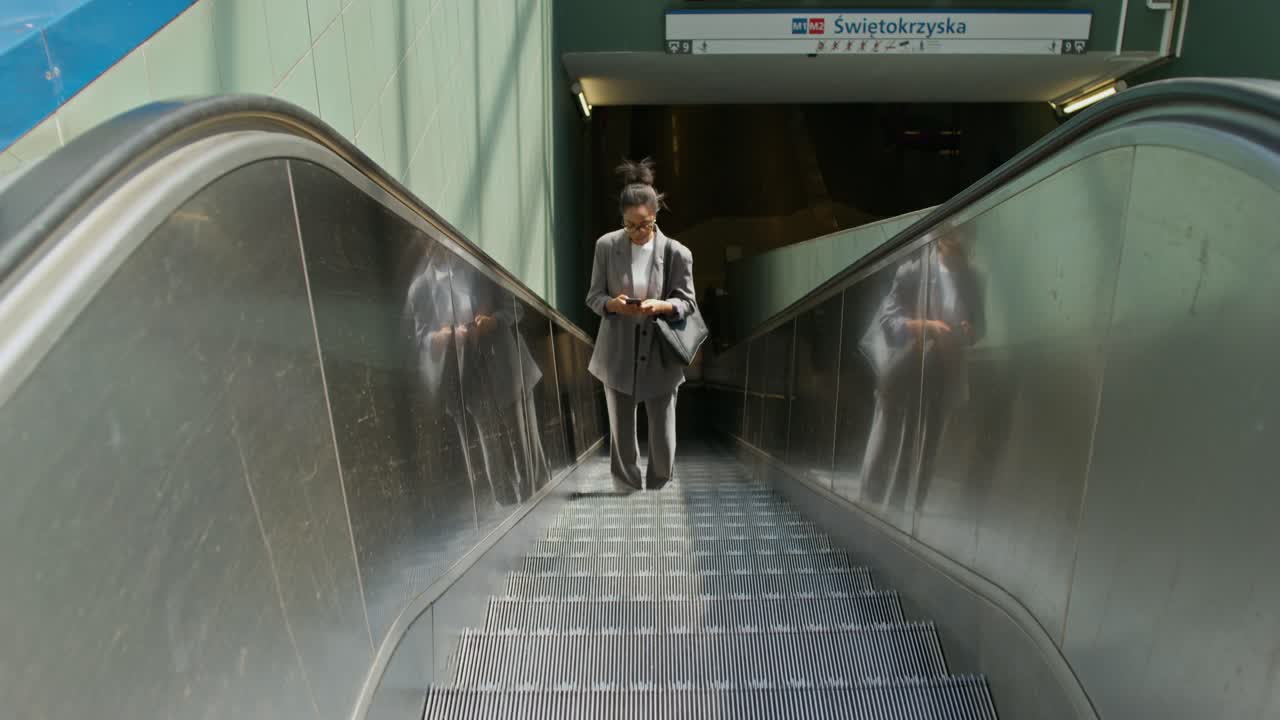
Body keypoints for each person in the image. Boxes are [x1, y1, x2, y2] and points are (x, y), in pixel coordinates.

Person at [586, 158, 697, 491]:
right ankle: (626, 486)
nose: (637, 232)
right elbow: (593, 296)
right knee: (621, 431)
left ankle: (660, 485)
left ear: (655, 216)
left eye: (644, 224)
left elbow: (688, 303)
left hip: (660, 351)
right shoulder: (606, 247)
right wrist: (612, 304)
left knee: (663, 433)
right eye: (629, 224)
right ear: (622, 219)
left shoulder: (677, 252)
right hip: (617, 349)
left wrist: (661, 305)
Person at [857, 231, 984, 515]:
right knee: (900, 433)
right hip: (909, 367)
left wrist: (970, 332)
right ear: (943, 241)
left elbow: (979, 326)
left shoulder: (973, 279)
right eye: (959, 243)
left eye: (968, 245)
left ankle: (912, 508)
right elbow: (889, 320)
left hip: (945, 369)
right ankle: (878, 502)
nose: (964, 251)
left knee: (931, 441)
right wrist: (926, 326)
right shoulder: (914, 271)